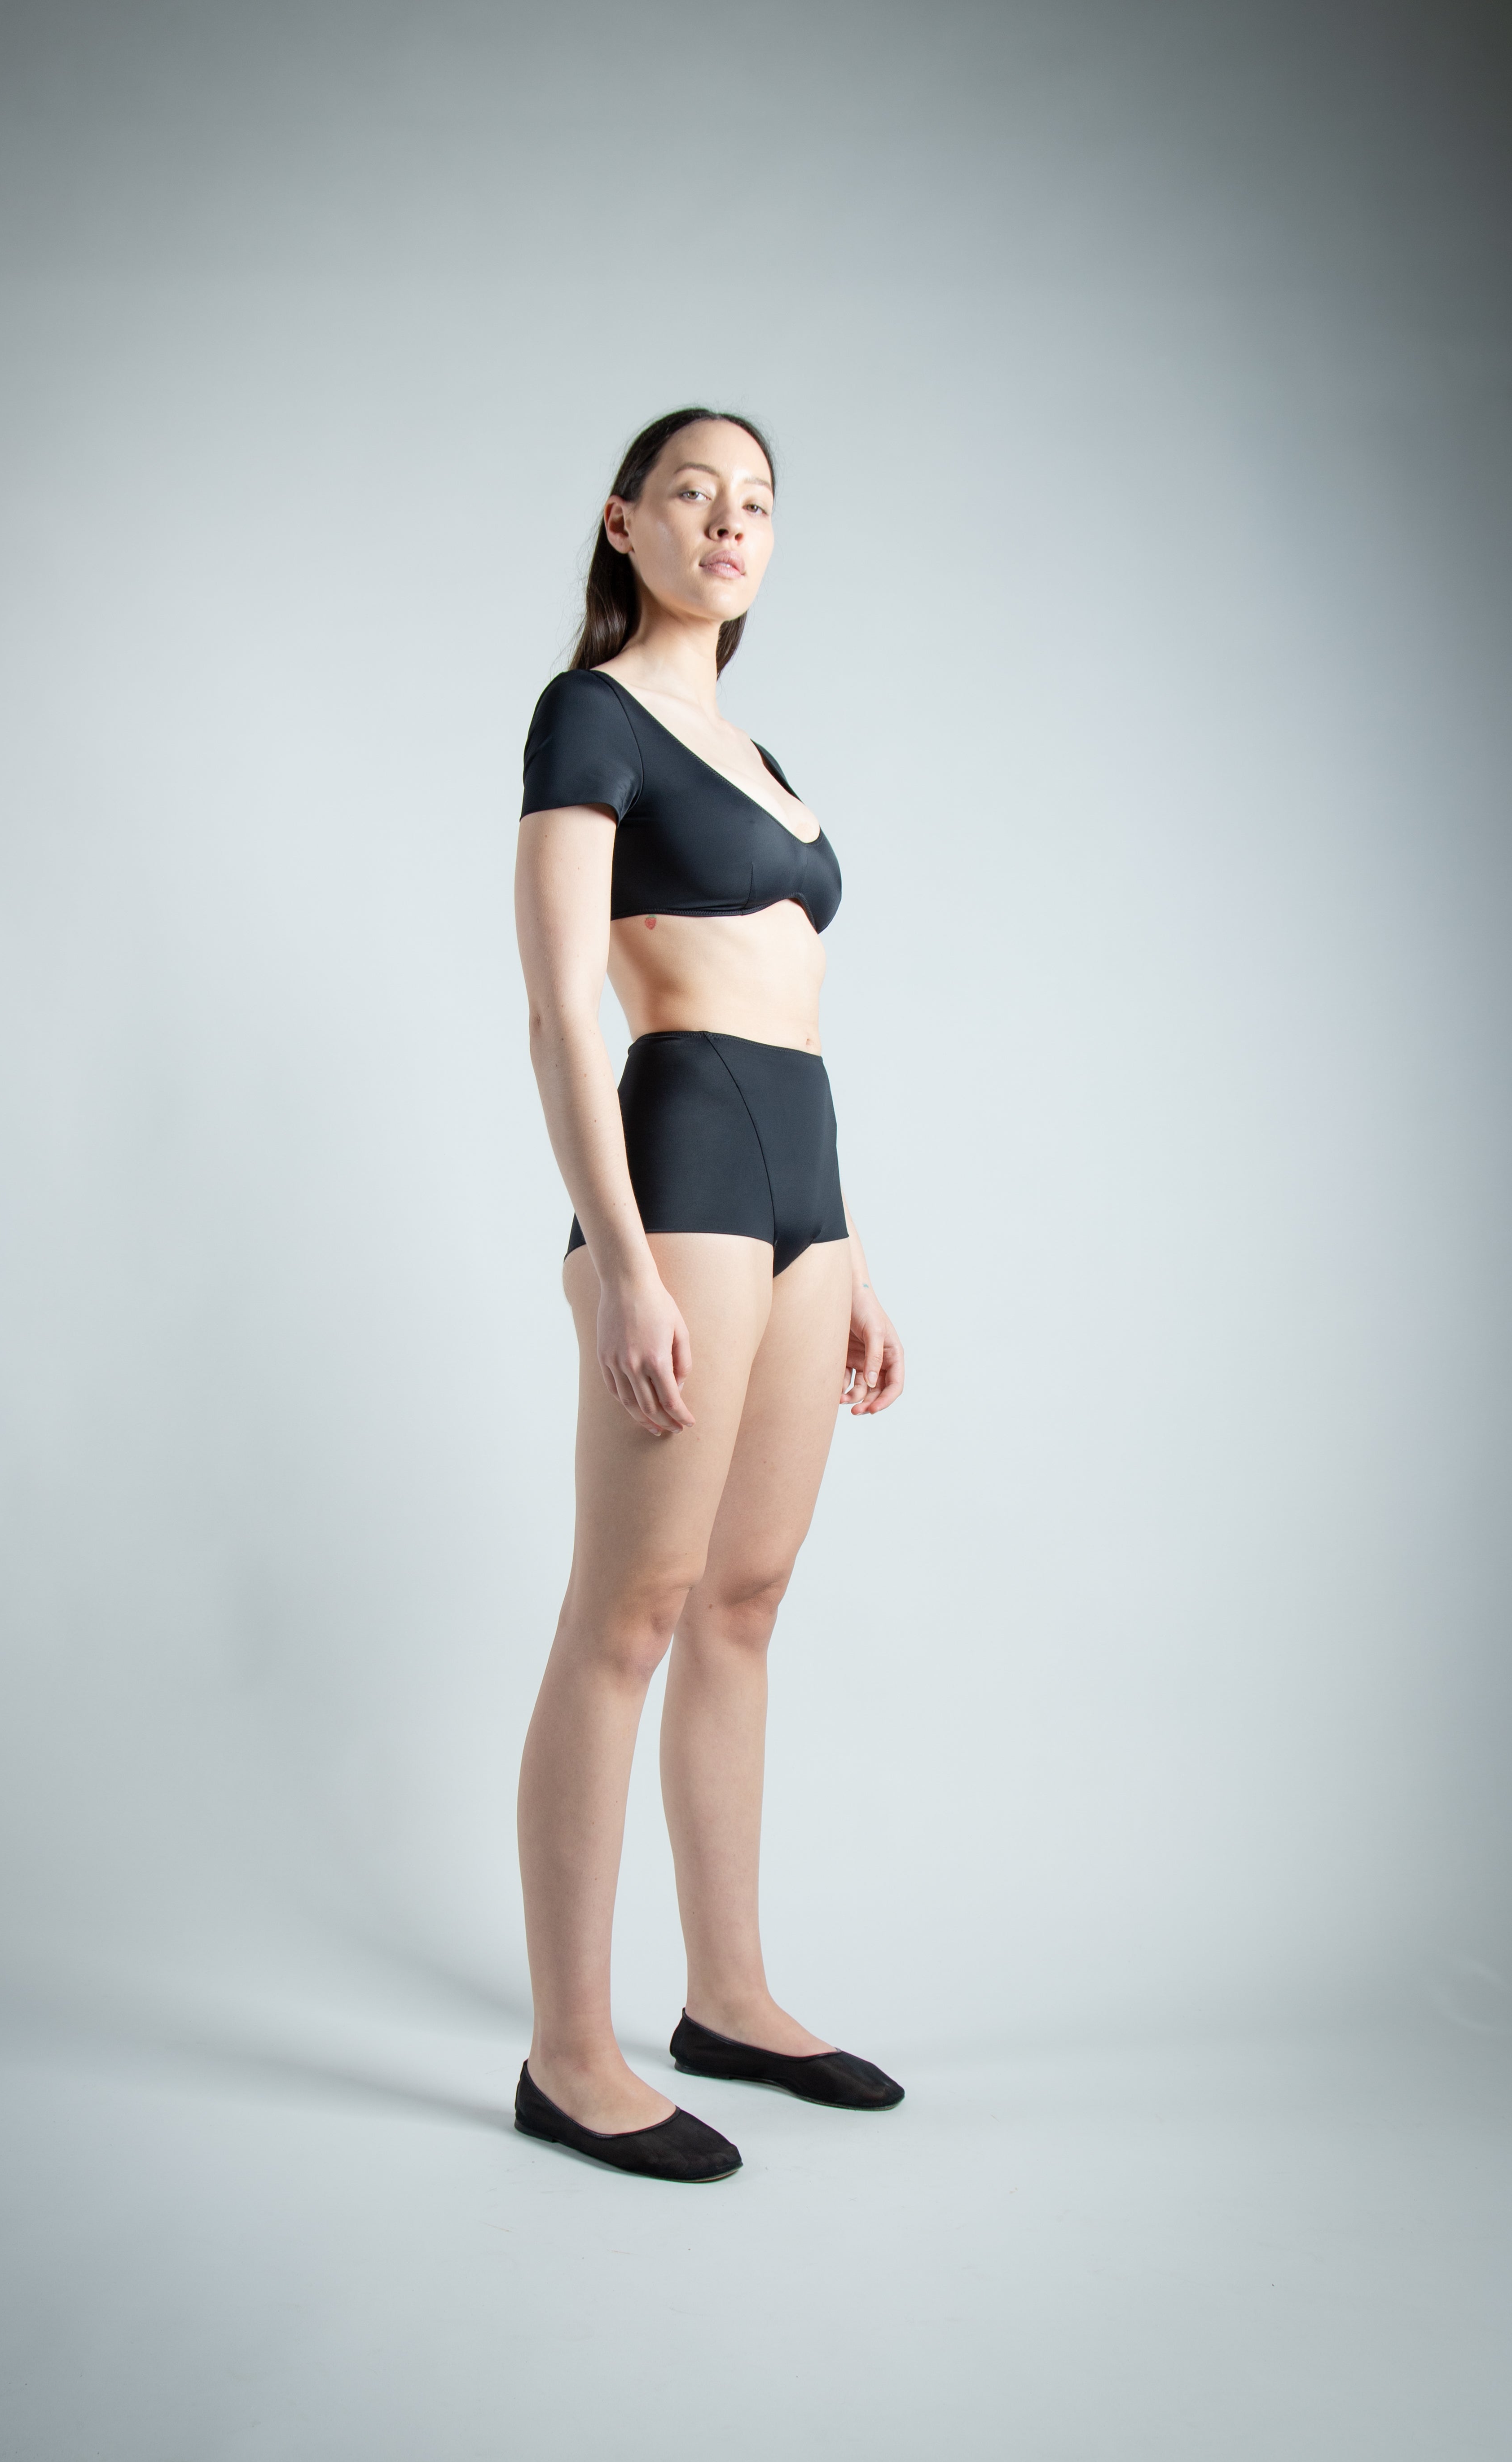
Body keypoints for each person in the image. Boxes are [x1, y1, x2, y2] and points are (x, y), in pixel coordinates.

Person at [512, 408, 906, 2182]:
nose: (728, 523)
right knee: (633, 1611)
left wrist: (854, 1249)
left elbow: (793, 1010)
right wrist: (619, 1261)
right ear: (625, 523)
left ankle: (729, 1997)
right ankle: (568, 2053)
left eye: (754, 502)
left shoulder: (757, 750)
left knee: (744, 1602)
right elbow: (558, 1010)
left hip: (799, 1181)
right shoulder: (586, 715)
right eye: (692, 492)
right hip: (676, 1170)